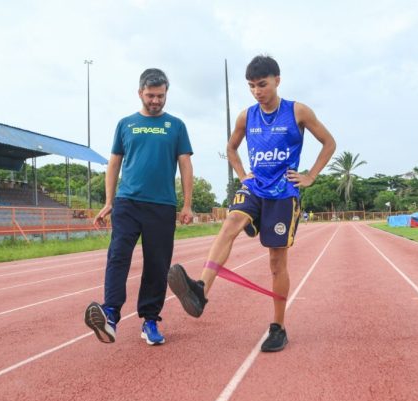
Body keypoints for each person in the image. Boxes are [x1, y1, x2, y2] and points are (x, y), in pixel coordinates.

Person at [167, 55, 336, 352]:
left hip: (284, 193)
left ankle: (278, 326)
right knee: (230, 222)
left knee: (276, 262)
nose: (257, 91)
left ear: (277, 81)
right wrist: (243, 174)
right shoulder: (246, 116)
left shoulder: (297, 111)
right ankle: (201, 290)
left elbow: (329, 142)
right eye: (251, 86)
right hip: (255, 187)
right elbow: (231, 147)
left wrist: (310, 175)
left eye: (262, 84)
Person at [85, 68, 194, 346]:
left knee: (157, 265)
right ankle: (110, 313)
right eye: (150, 95)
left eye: (160, 95)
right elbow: (114, 164)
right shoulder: (125, 124)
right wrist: (109, 202)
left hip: (162, 205)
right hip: (128, 203)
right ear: (140, 93)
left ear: (166, 94)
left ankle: (150, 320)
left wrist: (187, 205)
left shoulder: (176, 126)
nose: (156, 100)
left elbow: (185, 164)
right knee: (118, 255)